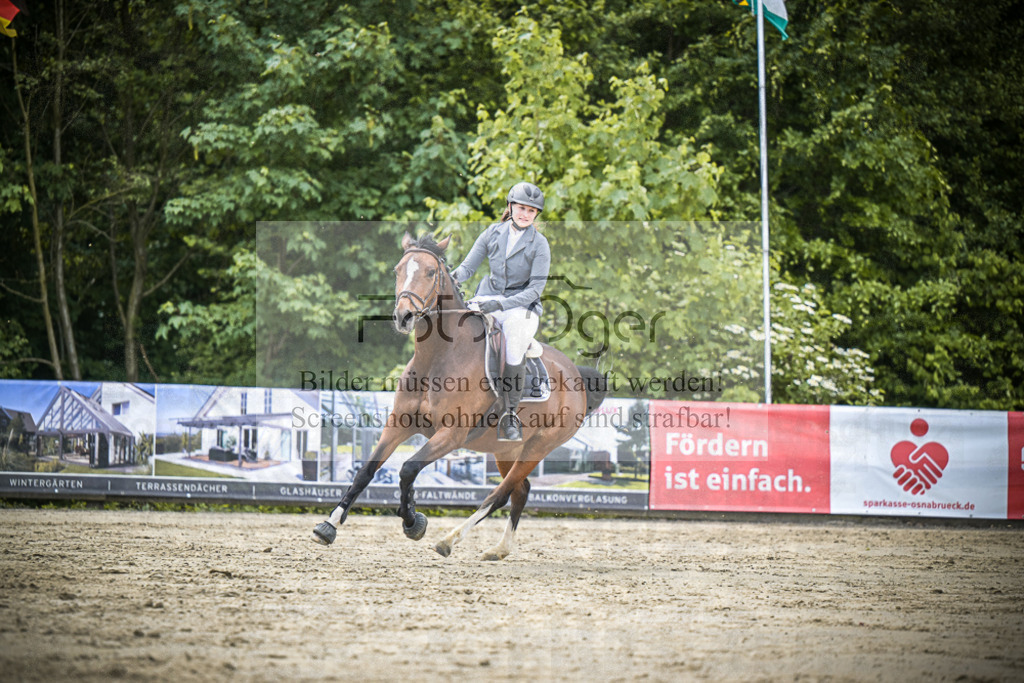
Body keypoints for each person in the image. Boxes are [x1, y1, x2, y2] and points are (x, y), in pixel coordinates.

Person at [451, 181, 551, 442]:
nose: (525, 215)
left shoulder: (540, 244)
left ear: (536, 215)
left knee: (515, 341)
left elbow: (535, 290)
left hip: (522, 308)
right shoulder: (492, 233)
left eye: (531, 211)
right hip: (487, 297)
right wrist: (448, 278)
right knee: (457, 326)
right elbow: (467, 268)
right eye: (521, 208)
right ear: (510, 207)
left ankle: (509, 414)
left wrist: (500, 305)